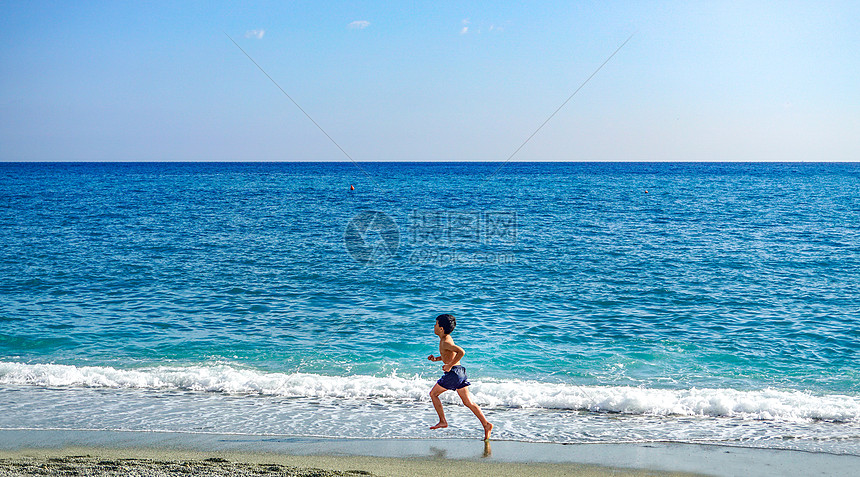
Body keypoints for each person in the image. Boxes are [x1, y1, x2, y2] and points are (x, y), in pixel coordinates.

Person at [427, 313, 493, 440]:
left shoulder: (446, 341)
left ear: (441, 328)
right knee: (468, 402)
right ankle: (486, 424)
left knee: (433, 394)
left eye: (435, 324)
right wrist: (436, 359)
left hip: (454, 373)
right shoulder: (446, 340)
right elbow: (449, 355)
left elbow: (461, 352)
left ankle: (443, 421)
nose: (433, 326)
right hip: (460, 372)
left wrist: (449, 366)